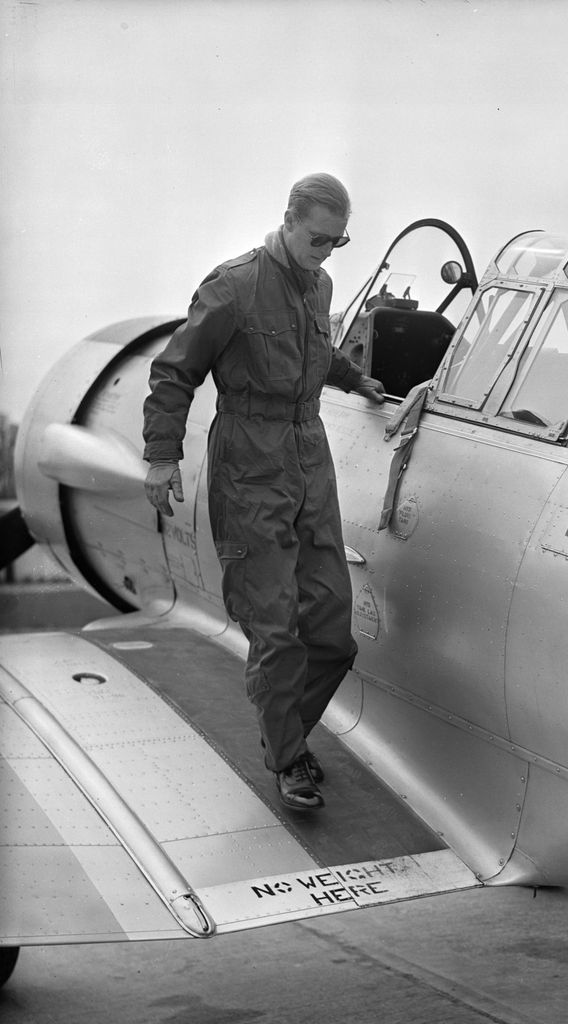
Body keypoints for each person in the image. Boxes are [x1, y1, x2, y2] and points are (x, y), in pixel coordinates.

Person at [142, 173, 384, 812]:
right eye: (318, 238)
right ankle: (288, 759)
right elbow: (174, 373)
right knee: (277, 633)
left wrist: (358, 380)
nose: (326, 252)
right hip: (250, 467)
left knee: (332, 633)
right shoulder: (234, 285)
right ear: (288, 220)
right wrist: (161, 458)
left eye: (338, 242)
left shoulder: (320, 283)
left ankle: (285, 739)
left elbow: (317, 352)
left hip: (311, 460)